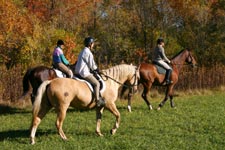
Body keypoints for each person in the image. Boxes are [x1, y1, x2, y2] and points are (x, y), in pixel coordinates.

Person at [75, 36, 105, 107]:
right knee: (97, 83)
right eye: (93, 43)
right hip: (84, 73)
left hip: (77, 72)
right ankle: (97, 100)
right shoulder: (88, 52)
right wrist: (97, 70)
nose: (93, 45)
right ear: (90, 44)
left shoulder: (82, 51)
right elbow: (92, 65)